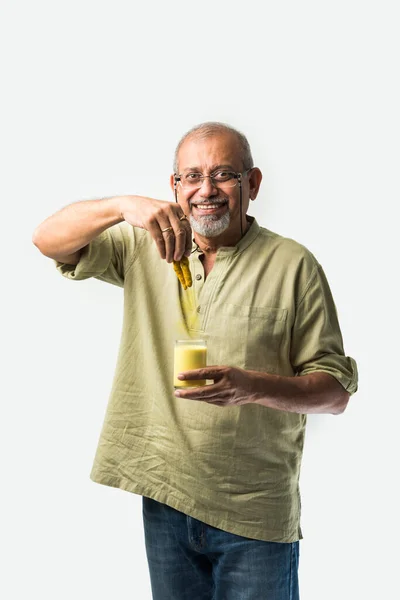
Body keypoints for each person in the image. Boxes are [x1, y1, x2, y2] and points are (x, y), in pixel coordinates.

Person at [33, 122, 358, 600]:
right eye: (192, 176)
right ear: (175, 187)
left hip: (255, 514)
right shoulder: (150, 245)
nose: (206, 190)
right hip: (165, 498)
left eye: (224, 174)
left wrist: (254, 386)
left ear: (253, 184)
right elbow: (47, 239)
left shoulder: (294, 265)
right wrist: (124, 206)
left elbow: (335, 392)